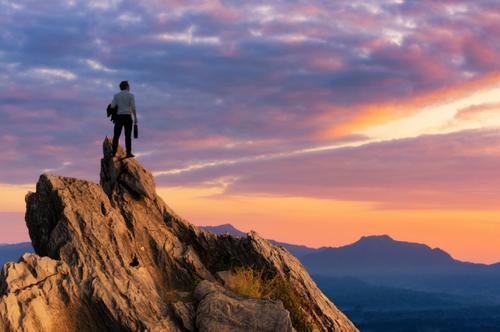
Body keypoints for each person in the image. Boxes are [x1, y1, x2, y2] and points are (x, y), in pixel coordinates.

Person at [110, 81, 138, 158]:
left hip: (119, 117)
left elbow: (112, 106)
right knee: (128, 136)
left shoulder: (116, 95)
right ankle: (128, 152)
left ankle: (113, 152)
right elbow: (133, 107)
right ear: (126, 86)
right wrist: (135, 117)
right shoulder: (131, 95)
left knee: (116, 135)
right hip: (128, 117)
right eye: (129, 86)